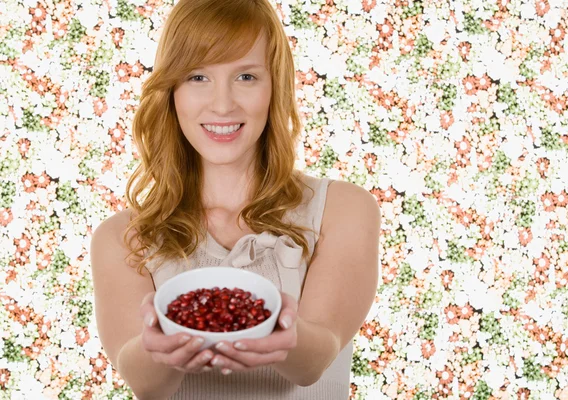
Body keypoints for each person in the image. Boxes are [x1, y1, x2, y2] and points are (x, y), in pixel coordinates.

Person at [90, 0, 381, 398]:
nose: (223, 104)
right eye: (197, 77)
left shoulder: (344, 209)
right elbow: (143, 383)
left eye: (246, 76)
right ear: (171, 91)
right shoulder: (123, 236)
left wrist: (275, 325)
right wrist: (159, 348)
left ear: (274, 86)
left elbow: (315, 361)